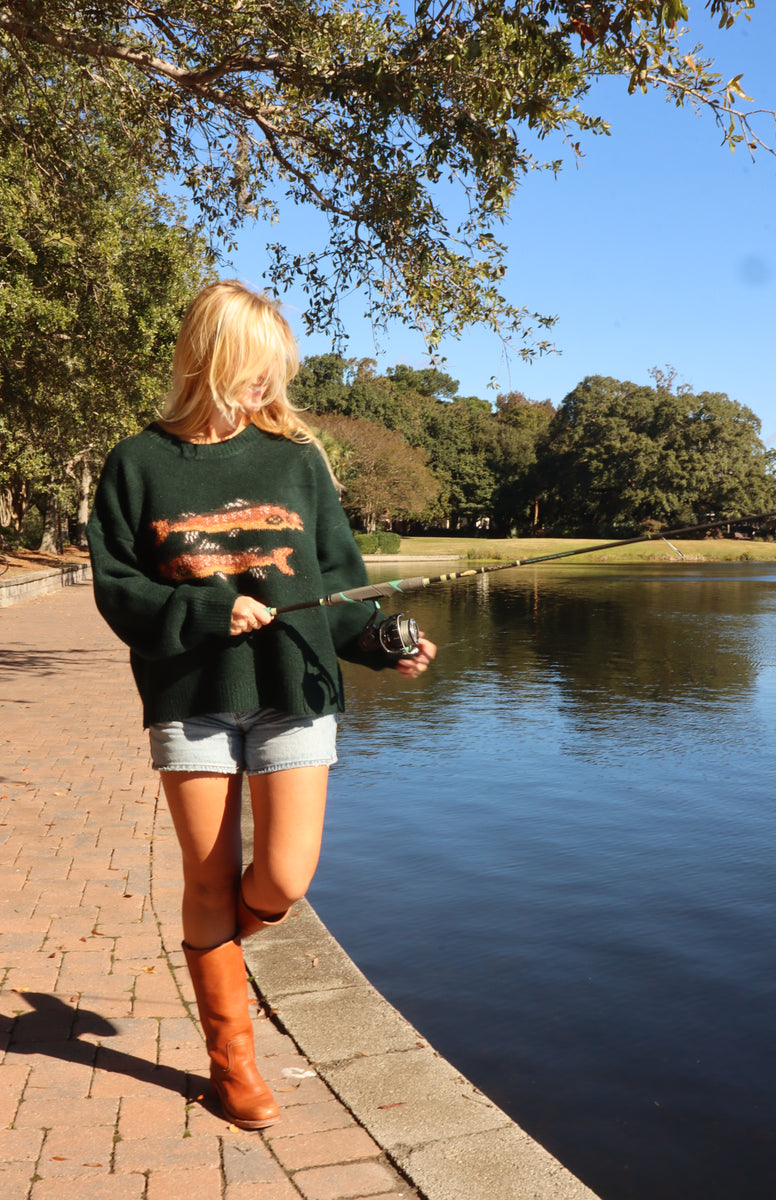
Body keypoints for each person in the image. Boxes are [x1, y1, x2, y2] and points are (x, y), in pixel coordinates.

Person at [87, 280, 436, 1130]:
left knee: (283, 875)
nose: (264, 387)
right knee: (207, 878)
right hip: (190, 694)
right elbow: (117, 589)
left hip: (294, 688)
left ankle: (214, 951)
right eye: (254, 369)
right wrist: (210, 607)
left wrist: (378, 643)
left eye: (273, 373)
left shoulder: (295, 459)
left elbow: (341, 582)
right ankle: (232, 1064)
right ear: (212, 358)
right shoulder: (137, 463)